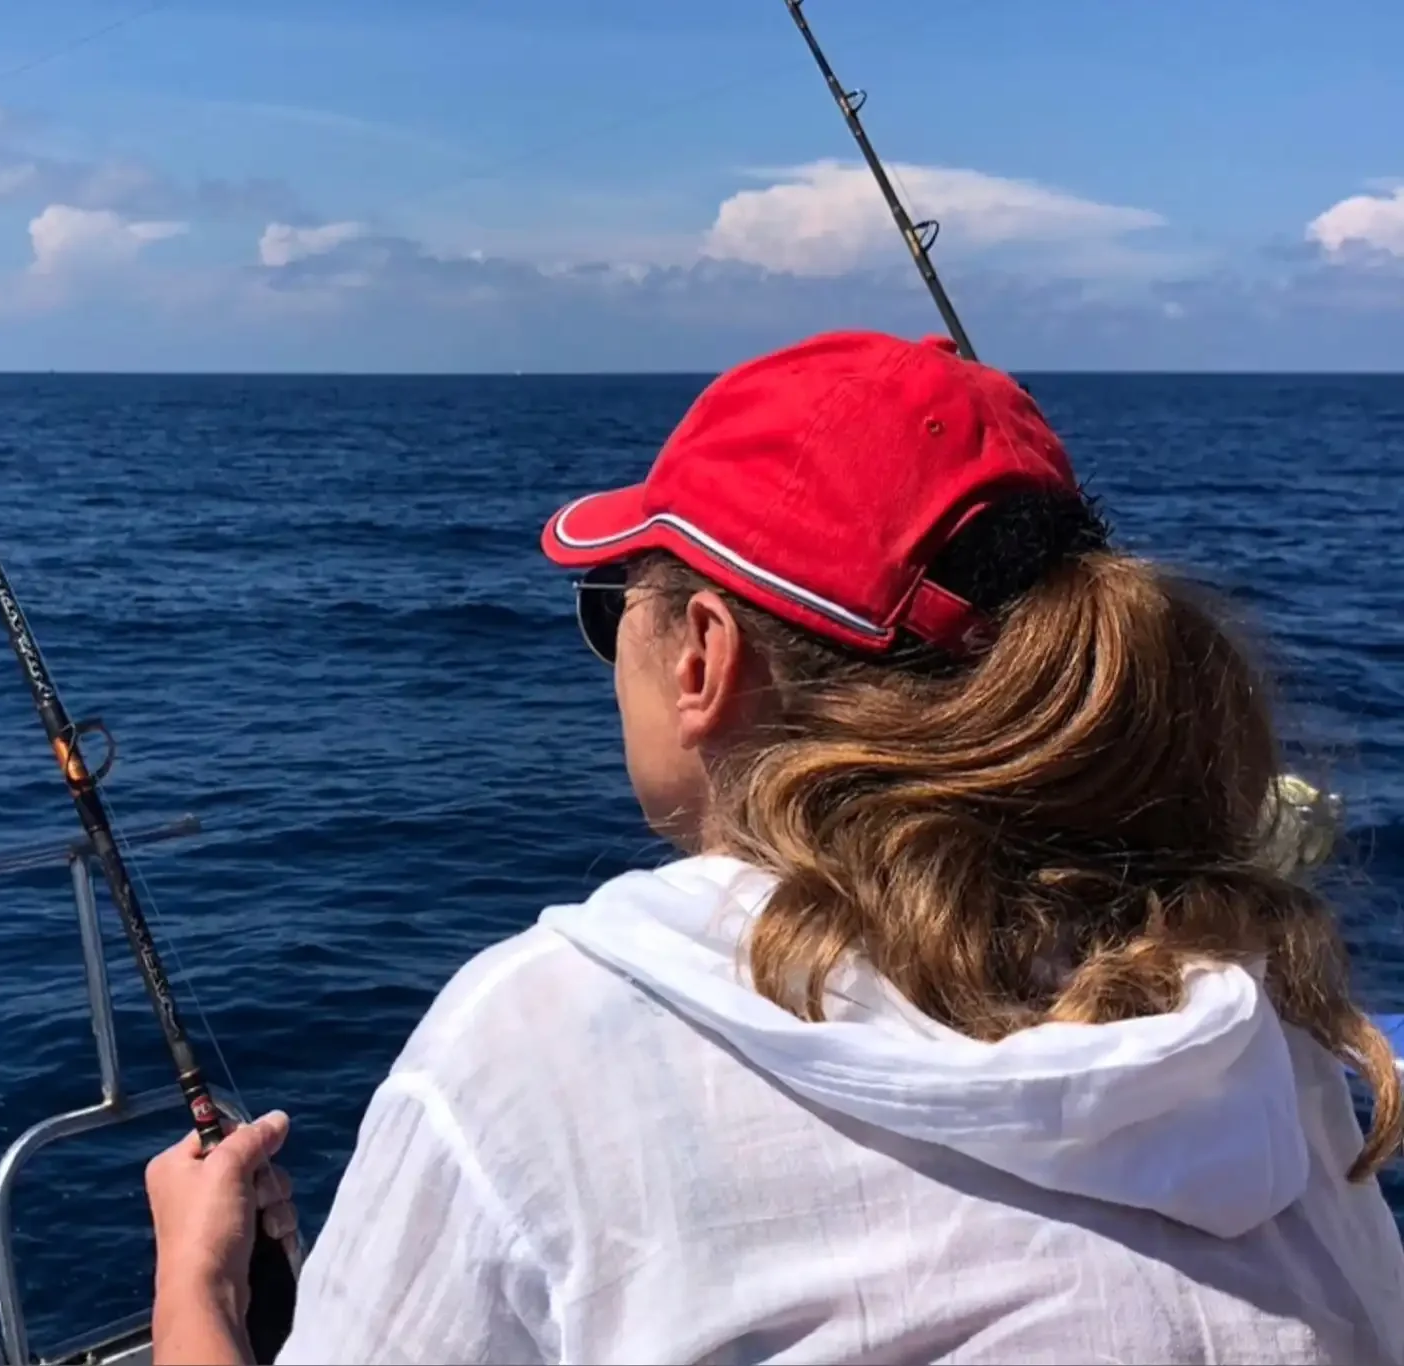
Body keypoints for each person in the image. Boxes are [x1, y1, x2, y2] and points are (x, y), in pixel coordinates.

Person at [142, 330, 1404, 1364]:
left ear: (702, 654)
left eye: (610, 605)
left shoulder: (535, 1044)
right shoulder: (1256, 1024)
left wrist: (194, 1288)